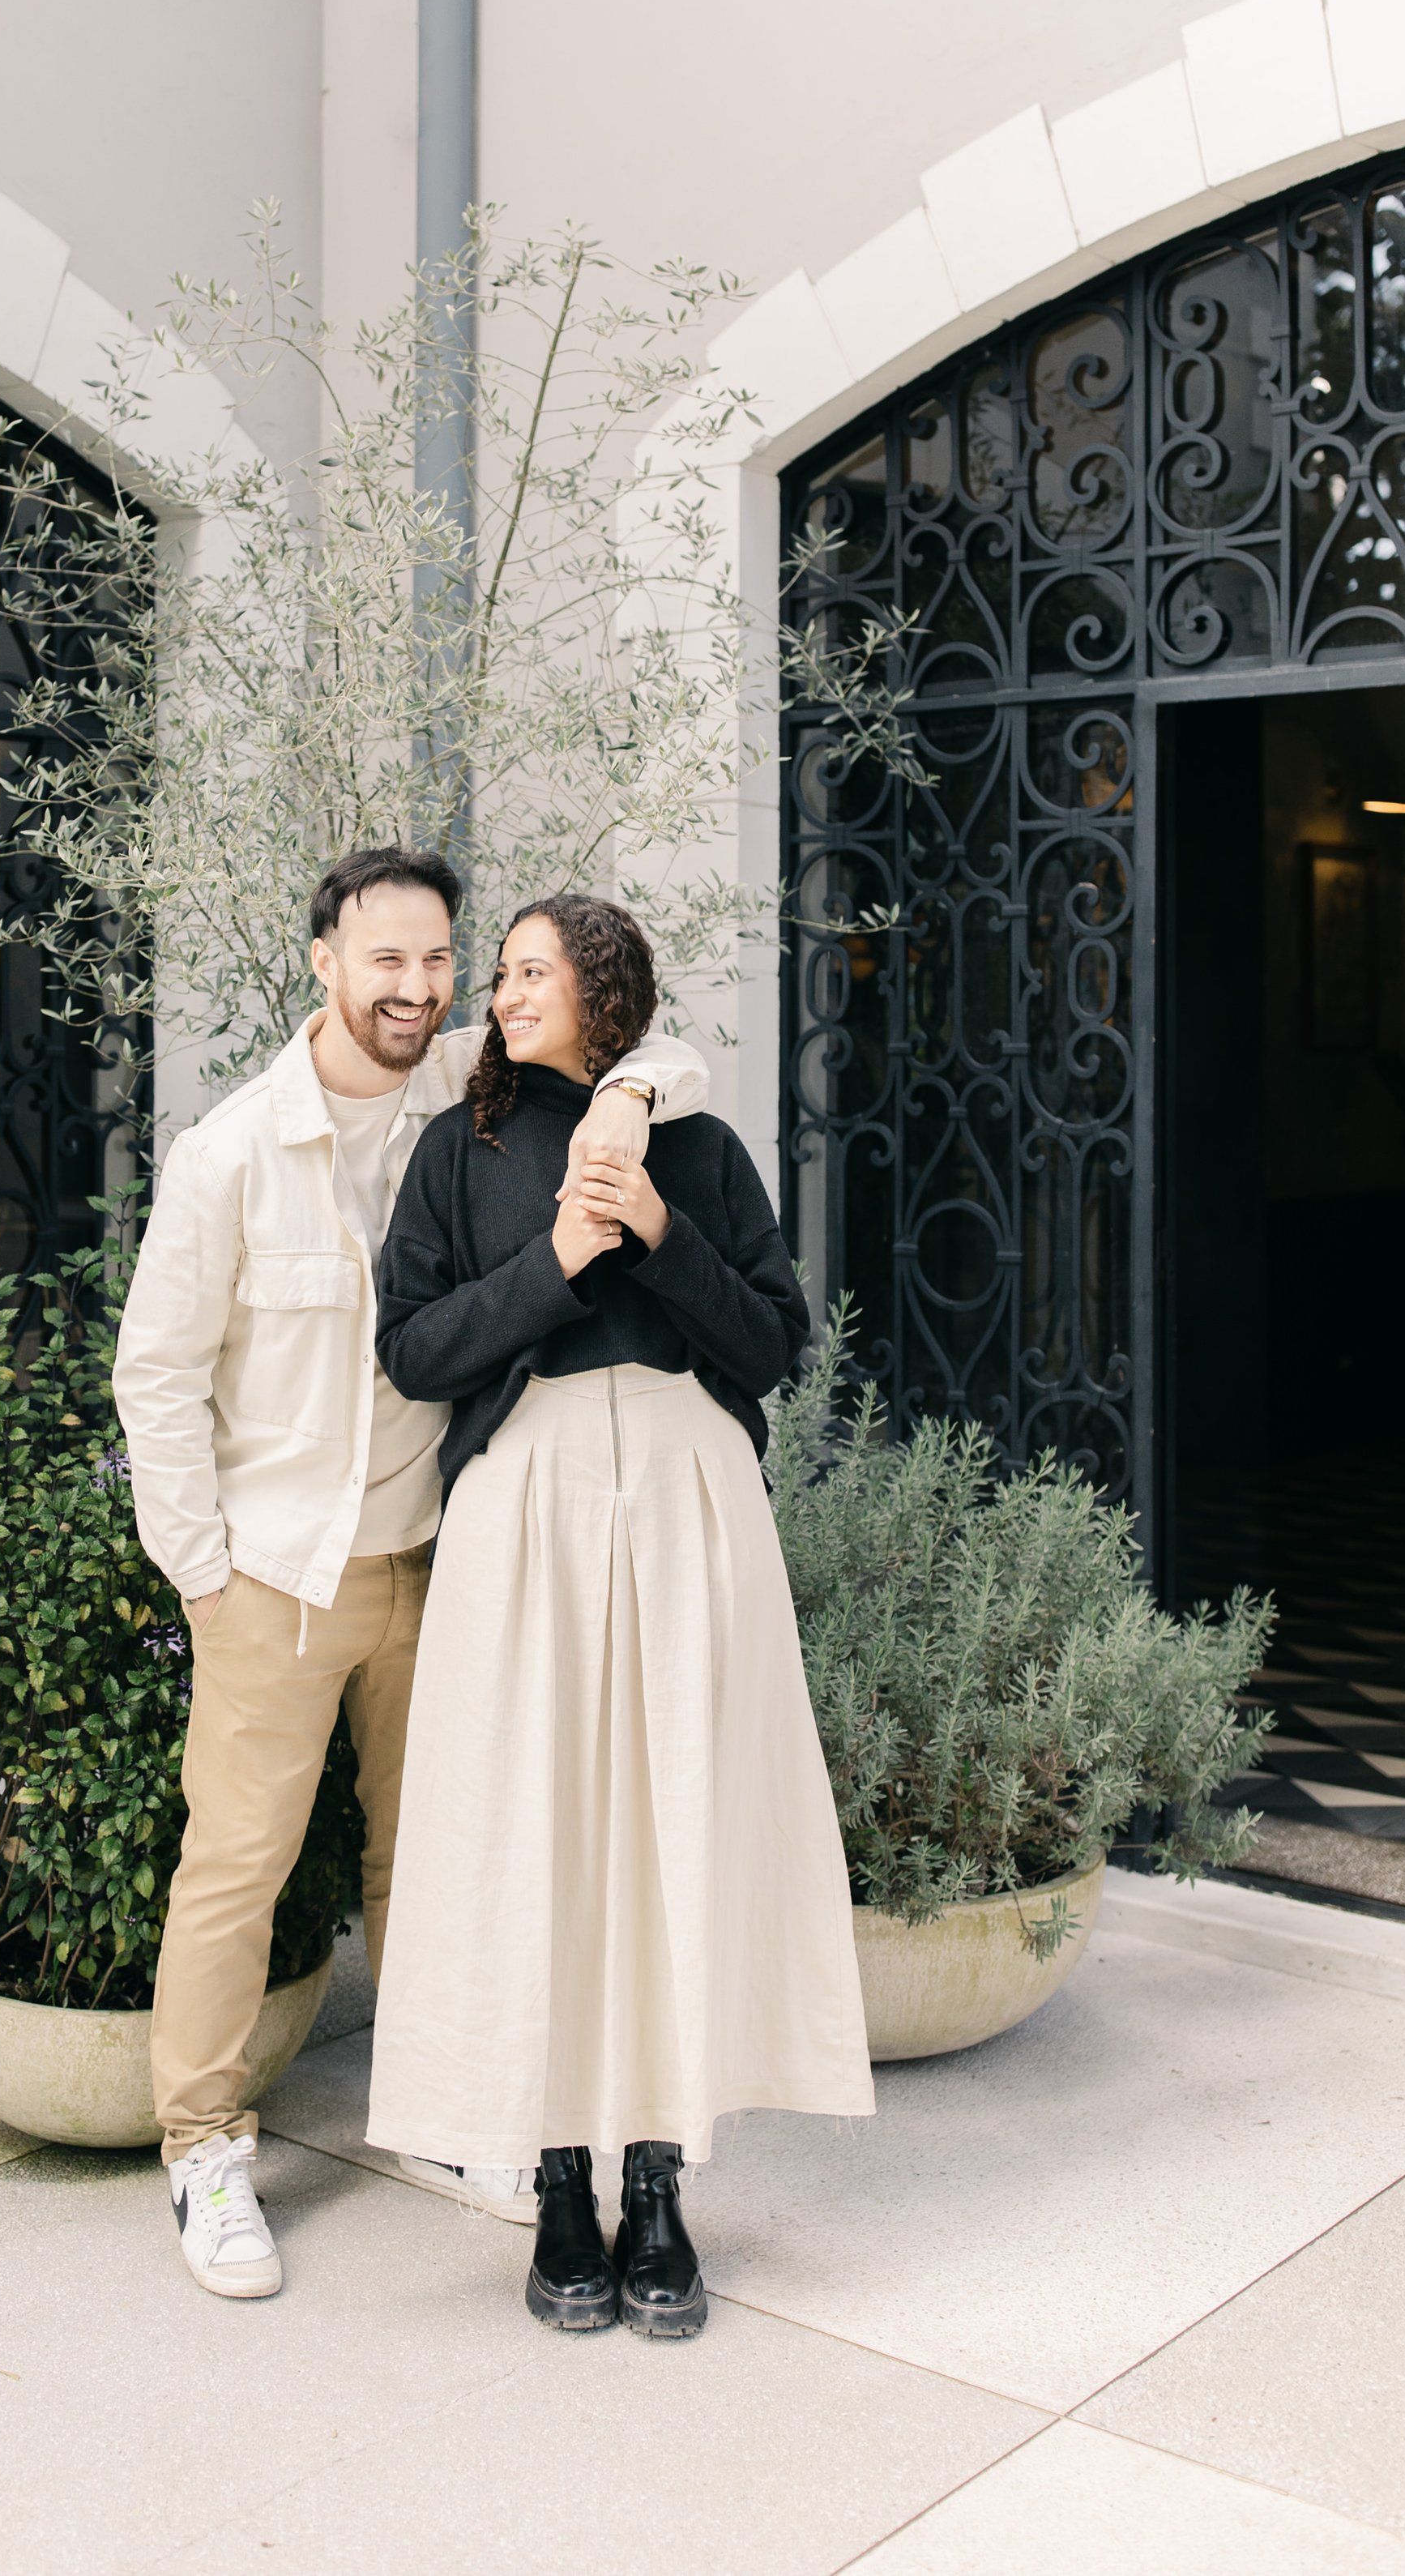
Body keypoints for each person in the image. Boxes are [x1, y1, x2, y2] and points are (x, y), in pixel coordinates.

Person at [112, 845, 709, 2300]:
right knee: (237, 1870)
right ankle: (202, 2148)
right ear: (324, 958)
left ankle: (459, 2119)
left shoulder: (465, 1089)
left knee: (437, 1858)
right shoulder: (233, 1150)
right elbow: (157, 1373)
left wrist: (628, 1092)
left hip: (439, 1562)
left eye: (439, 958)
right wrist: (204, 1575)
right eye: (388, 958)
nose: (419, 985)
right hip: (278, 1575)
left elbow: (655, 1041)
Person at [365, 893, 873, 2340]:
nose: (502, 993)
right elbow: (413, 1350)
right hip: (522, 1514)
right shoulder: (455, 1150)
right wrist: (559, 1268)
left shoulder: (698, 1146)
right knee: (546, 1834)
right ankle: (562, 2188)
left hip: (685, 1502)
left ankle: (660, 2181)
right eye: (505, 973)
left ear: (601, 988)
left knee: (672, 1830)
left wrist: (654, 1232)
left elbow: (771, 1344)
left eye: (530, 971)